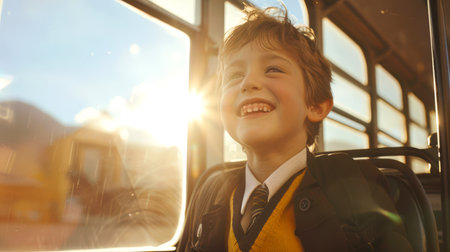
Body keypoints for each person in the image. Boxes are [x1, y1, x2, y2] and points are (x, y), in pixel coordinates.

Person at [178, 6, 412, 252]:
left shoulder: (351, 187)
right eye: (235, 75)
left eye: (273, 69)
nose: (248, 83)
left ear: (316, 105)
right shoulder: (211, 192)